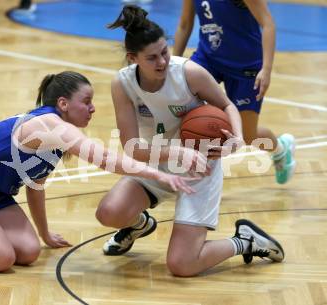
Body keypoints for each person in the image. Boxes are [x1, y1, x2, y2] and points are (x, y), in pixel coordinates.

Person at [0, 71, 198, 272]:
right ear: (63, 103)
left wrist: (43, 234)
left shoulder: (56, 139)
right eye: (87, 101)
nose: (93, 108)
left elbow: (36, 186)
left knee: (28, 252)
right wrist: (159, 174)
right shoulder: (49, 125)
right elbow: (106, 159)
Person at [96, 5, 284, 277]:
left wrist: (238, 137)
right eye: (152, 58)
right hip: (157, 159)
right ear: (132, 58)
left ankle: (246, 241)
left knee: (182, 265)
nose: (162, 61)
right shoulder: (122, 84)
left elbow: (228, 105)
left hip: (200, 166)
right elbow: (132, 147)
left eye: (164, 51)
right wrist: (175, 154)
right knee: (109, 213)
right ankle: (138, 225)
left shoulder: (189, 72)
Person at [173, 0, 296, 184]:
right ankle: (190, 169)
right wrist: (174, 64)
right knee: (182, 102)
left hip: (245, 65)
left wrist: (267, 69)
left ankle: (281, 149)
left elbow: (267, 23)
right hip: (208, 58)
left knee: (247, 135)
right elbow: (184, 24)